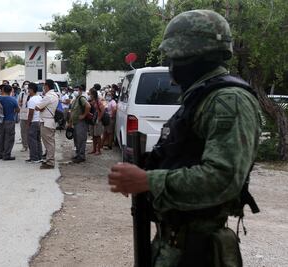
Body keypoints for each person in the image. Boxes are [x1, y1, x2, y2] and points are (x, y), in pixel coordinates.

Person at [108, 10, 261, 267]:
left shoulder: (228, 100)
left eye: (175, 56)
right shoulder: (201, 96)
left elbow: (223, 178)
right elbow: (183, 154)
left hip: (198, 251)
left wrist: (148, 180)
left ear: (195, 54)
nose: (171, 65)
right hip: (176, 243)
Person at [36, 79, 59, 169]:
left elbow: (37, 107)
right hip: (50, 120)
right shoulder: (55, 95)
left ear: (47, 86)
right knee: (50, 142)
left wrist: (41, 107)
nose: (43, 87)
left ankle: (50, 162)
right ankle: (49, 160)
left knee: (48, 143)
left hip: (46, 121)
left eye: (44, 85)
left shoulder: (48, 96)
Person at [0, 84, 19, 160]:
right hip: (10, 120)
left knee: (1, 137)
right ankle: (6, 155)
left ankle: (0, 154)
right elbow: (17, 110)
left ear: (3, 90)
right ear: (10, 91)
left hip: (1, 120)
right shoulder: (13, 100)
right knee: (9, 138)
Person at [69, 85, 91, 163]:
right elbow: (72, 111)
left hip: (80, 123)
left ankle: (81, 156)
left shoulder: (82, 98)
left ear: (81, 90)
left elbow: (88, 106)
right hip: (75, 122)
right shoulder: (76, 99)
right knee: (76, 139)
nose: (75, 91)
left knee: (81, 139)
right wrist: (70, 122)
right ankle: (78, 154)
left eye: (77, 89)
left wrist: (84, 115)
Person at [26, 83, 43, 163]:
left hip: (33, 122)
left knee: (32, 140)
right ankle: (39, 156)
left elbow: (31, 113)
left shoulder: (32, 100)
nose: (28, 90)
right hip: (39, 121)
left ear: (32, 89)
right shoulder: (40, 98)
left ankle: (34, 158)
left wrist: (28, 123)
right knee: (38, 140)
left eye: (28, 89)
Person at [89, 88, 105, 155]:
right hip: (93, 120)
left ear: (93, 94)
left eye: (90, 94)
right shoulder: (92, 101)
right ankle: (94, 149)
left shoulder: (98, 102)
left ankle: (98, 150)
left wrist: (99, 119)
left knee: (98, 136)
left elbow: (103, 110)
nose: (89, 95)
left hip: (97, 121)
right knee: (94, 135)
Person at [18, 80, 30, 152]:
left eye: (28, 85)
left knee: (30, 131)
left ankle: (30, 145)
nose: (26, 86)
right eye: (25, 85)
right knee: (23, 131)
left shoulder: (32, 94)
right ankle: (24, 146)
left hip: (30, 115)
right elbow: (18, 103)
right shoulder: (21, 94)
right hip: (22, 115)